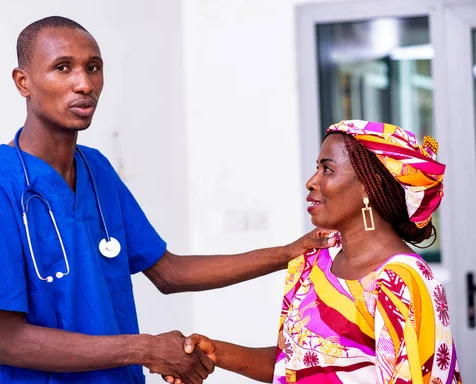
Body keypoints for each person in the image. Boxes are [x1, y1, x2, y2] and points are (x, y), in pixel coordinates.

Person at [0, 15, 335, 384]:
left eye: (93, 67)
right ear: (23, 82)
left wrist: (289, 252)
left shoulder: (95, 169)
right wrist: (146, 348)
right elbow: (8, 342)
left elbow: (168, 272)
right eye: (62, 68)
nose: (84, 84)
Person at [168, 120, 462, 384]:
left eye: (327, 169)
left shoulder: (400, 280)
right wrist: (217, 352)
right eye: (317, 168)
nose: (311, 181)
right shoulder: (312, 262)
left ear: (368, 188)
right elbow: (295, 364)